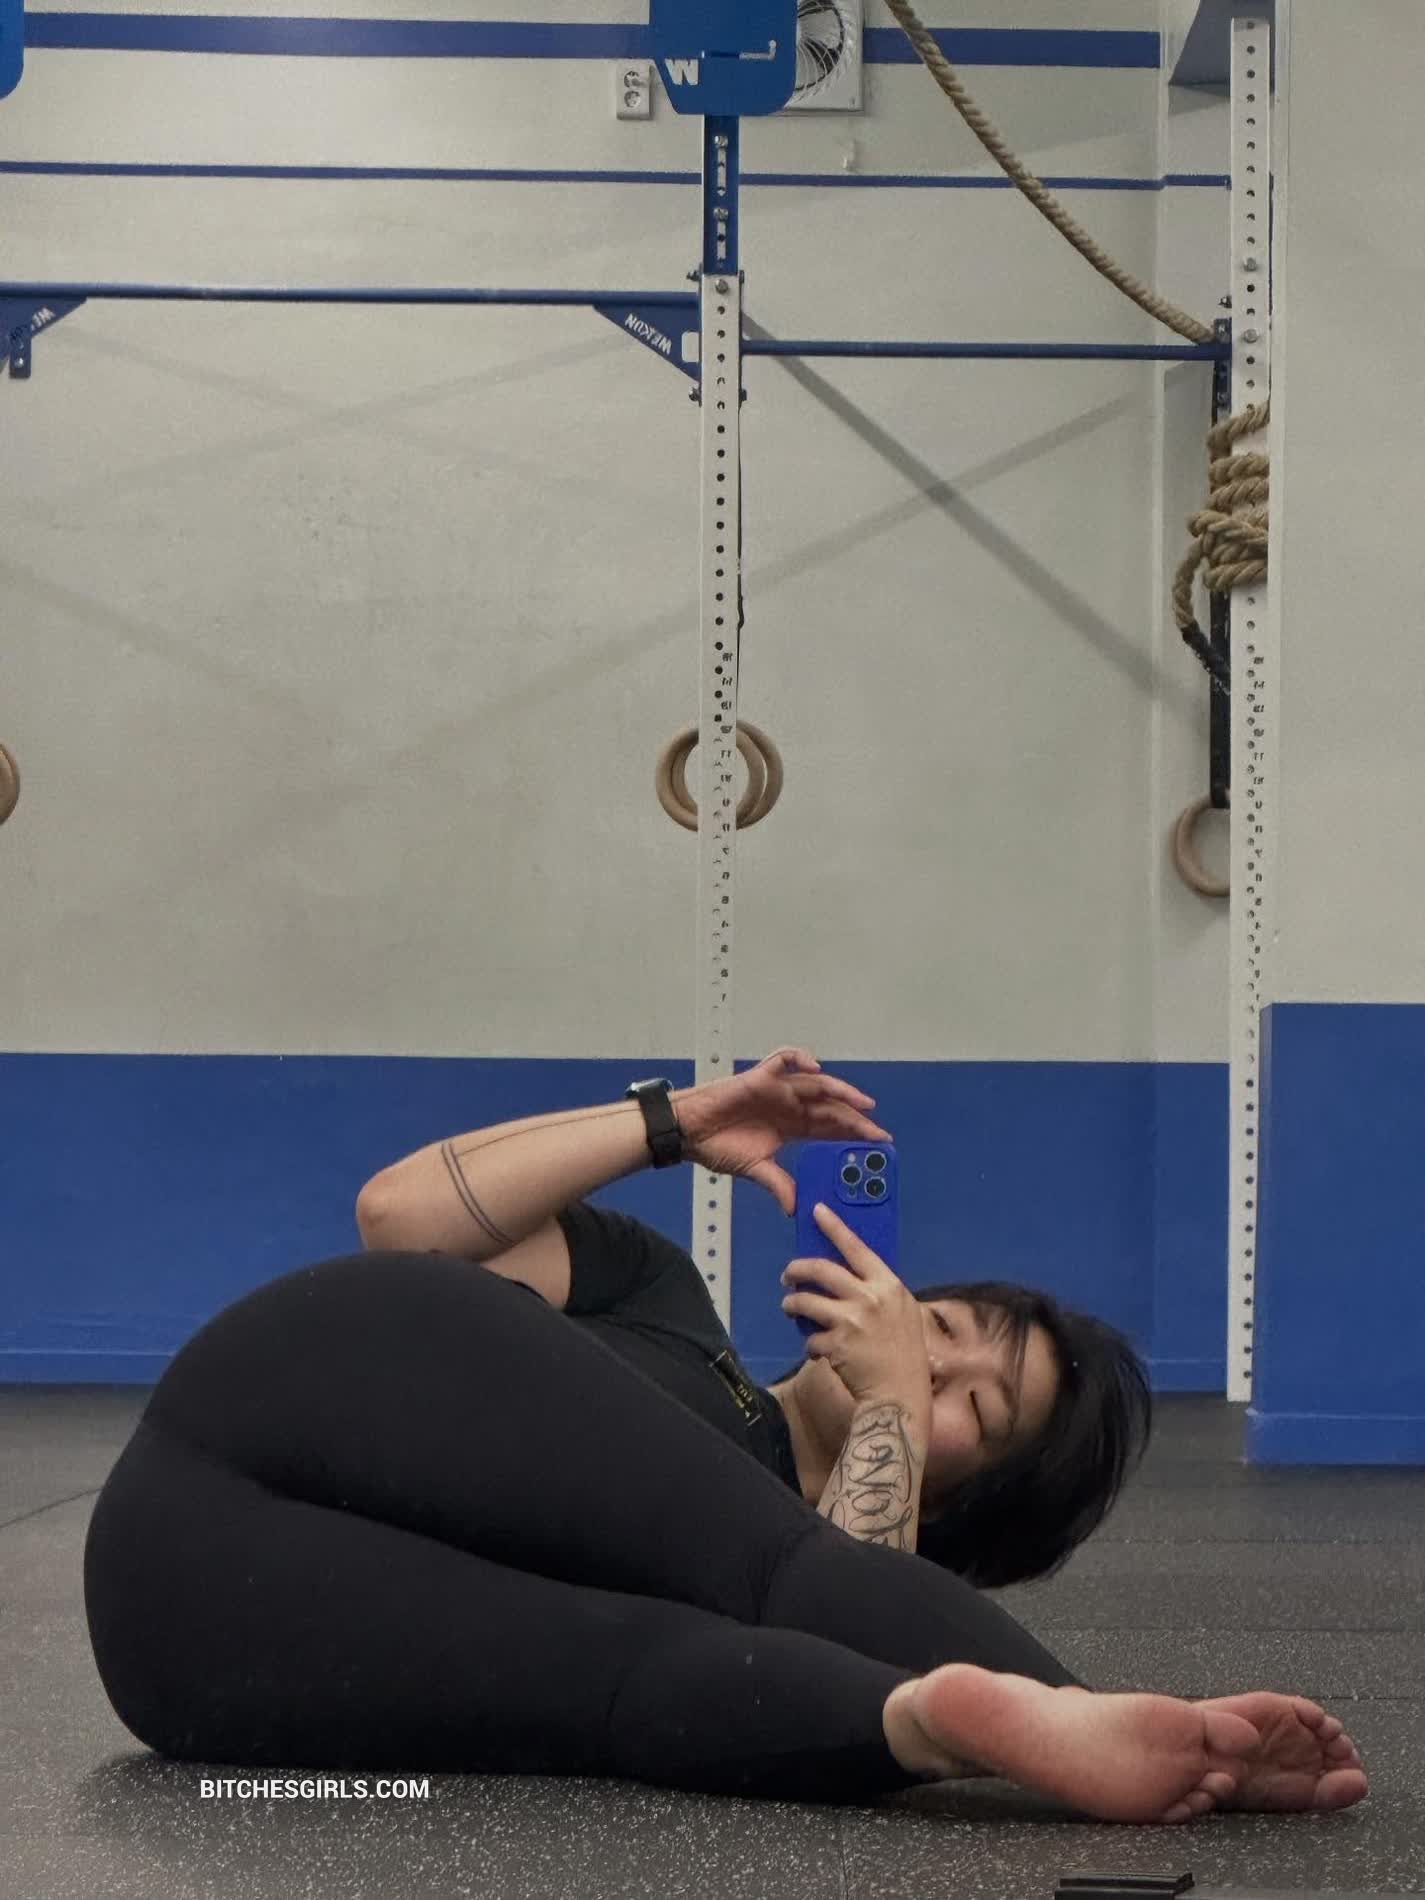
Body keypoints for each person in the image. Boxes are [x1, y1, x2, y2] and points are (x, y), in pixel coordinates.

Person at [83, 1048, 1368, 1821]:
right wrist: (677, 1124)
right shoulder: (659, 1297)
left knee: (629, 1685)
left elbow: (836, 1600)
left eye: (971, 1405)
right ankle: (1097, 1719)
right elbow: (399, 1216)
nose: (928, 1357)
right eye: (945, 1327)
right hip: (290, 1392)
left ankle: (945, 1723)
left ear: (967, 1503)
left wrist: (883, 1420)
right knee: (766, 1576)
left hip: (191, 1649)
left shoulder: (818, 1568)